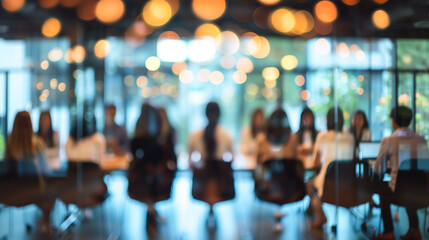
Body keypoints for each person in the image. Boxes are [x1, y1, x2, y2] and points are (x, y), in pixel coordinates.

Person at [373, 106, 429, 240]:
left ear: (394, 121)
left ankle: (388, 232)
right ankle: (414, 229)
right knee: (411, 182)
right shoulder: (421, 139)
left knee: (382, 188)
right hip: (421, 191)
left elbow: (378, 170)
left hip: (399, 193)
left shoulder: (388, 141)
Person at [128, 103, 176, 234]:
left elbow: (133, 155)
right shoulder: (156, 139)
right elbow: (173, 159)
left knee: (150, 180)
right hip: (154, 181)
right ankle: (151, 210)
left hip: (151, 181)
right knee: (150, 179)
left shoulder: (144, 138)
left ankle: (151, 211)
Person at [4, 111, 53, 232]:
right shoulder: (38, 144)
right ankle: (46, 224)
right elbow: (46, 171)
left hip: (10, 193)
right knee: (53, 189)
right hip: (34, 192)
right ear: (31, 124)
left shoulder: (9, 145)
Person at [188, 102, 234, 228]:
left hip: (216, 176)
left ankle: (211, 208)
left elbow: (231, 157)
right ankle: (211, 208)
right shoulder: (198, 135)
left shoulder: (224, 135)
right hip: (206, 176)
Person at [307, 107, 354, 228]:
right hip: (348, 184)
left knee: (308, 183)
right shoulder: (350, 137)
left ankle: (320, 215)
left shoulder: (323, 136)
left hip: (328, 183)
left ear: (327, 120)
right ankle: (319, 215)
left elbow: (315, 163)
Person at [103, 104, 130, 169]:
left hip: (118, 165)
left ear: (115, 113)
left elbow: (127, 150)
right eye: (108, 113)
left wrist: (117, 148)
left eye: (112, 113)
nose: (110, 115)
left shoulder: (121, 131)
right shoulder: (102, 131)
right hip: (104, 164)